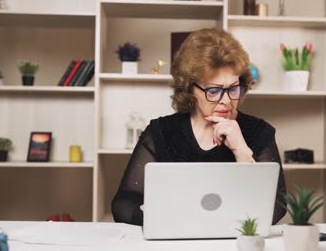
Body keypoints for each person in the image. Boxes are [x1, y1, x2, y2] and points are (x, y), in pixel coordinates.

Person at [112, 28, 286, 226]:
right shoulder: (160, 131)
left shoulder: (259, 132)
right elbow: (123, 203)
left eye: (233, 88)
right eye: (214, 90)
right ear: (189, 89)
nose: (227, 101)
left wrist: (242, 152)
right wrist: (164, 220)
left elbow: (276, 208)